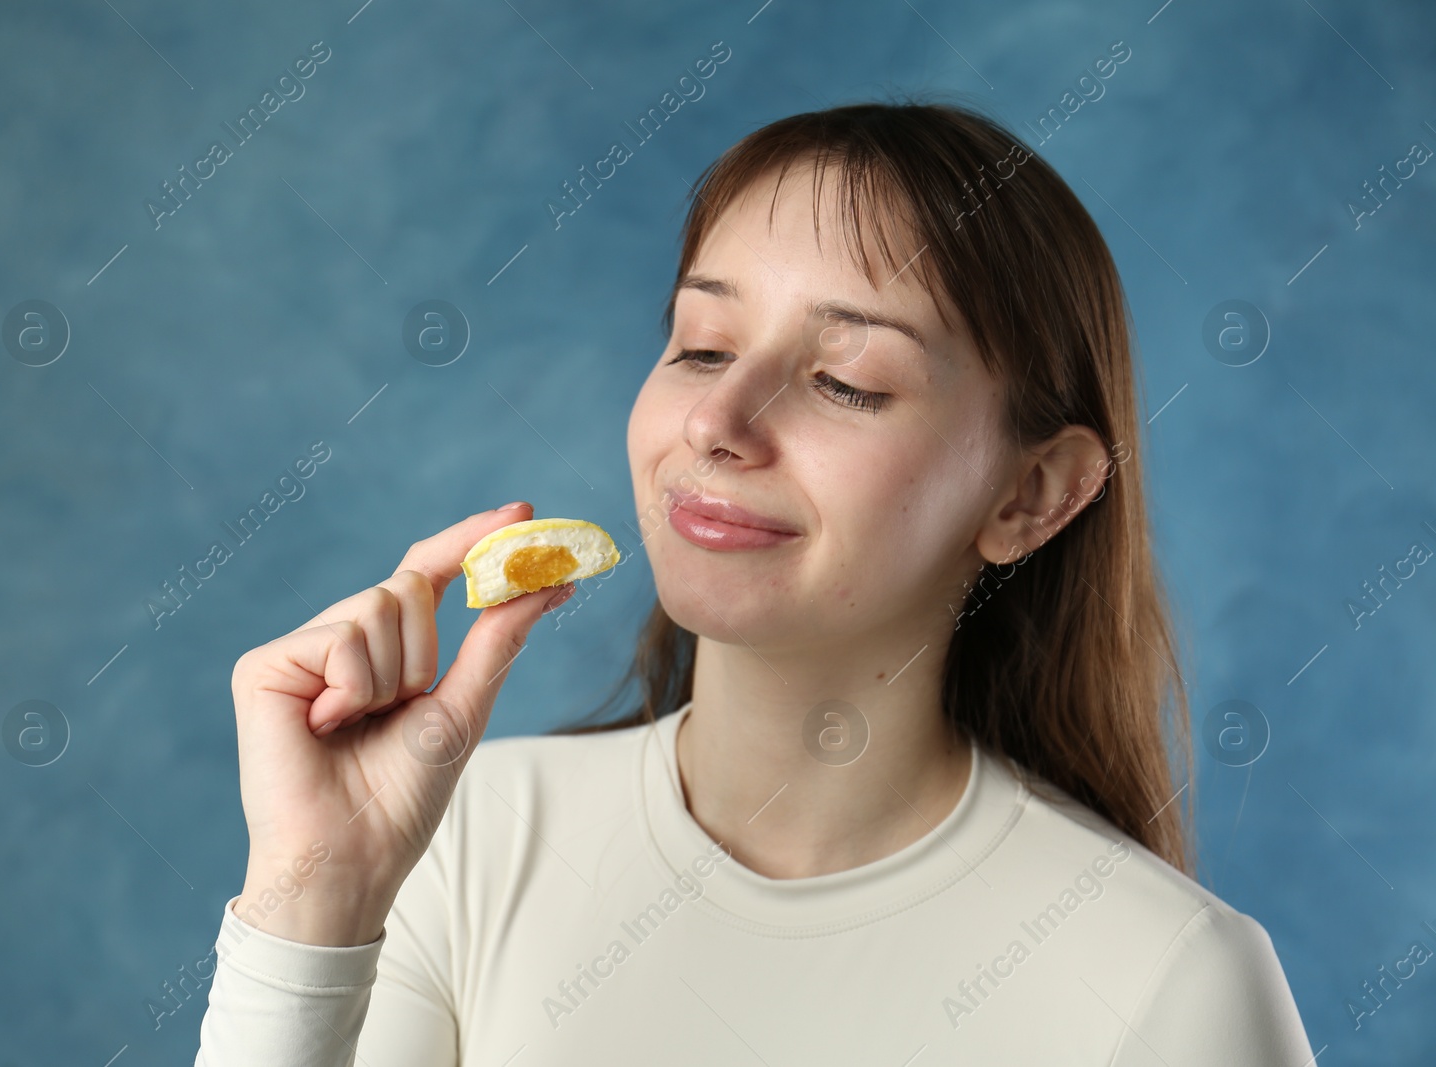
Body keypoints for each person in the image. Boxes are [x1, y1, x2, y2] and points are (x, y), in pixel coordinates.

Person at [194, 98, 1315, 1065]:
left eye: (846, 380)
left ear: (1031, 493)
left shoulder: (1174, 979)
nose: (717, 423)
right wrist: (314, 897)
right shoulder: (463, 838)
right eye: (700, 345)